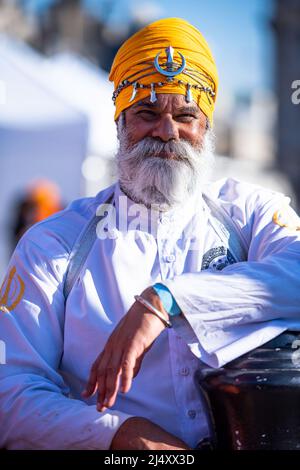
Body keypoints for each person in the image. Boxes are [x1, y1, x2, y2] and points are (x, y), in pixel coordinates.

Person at [0, 17, 300, 451]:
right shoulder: (55, 246)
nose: (166, 132)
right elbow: (11, 396)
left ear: (206, 129)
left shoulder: (249, 214)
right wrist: (121, 435)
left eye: (185, 116)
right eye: (147, 112)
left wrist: (166, 300)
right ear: (119, 122)